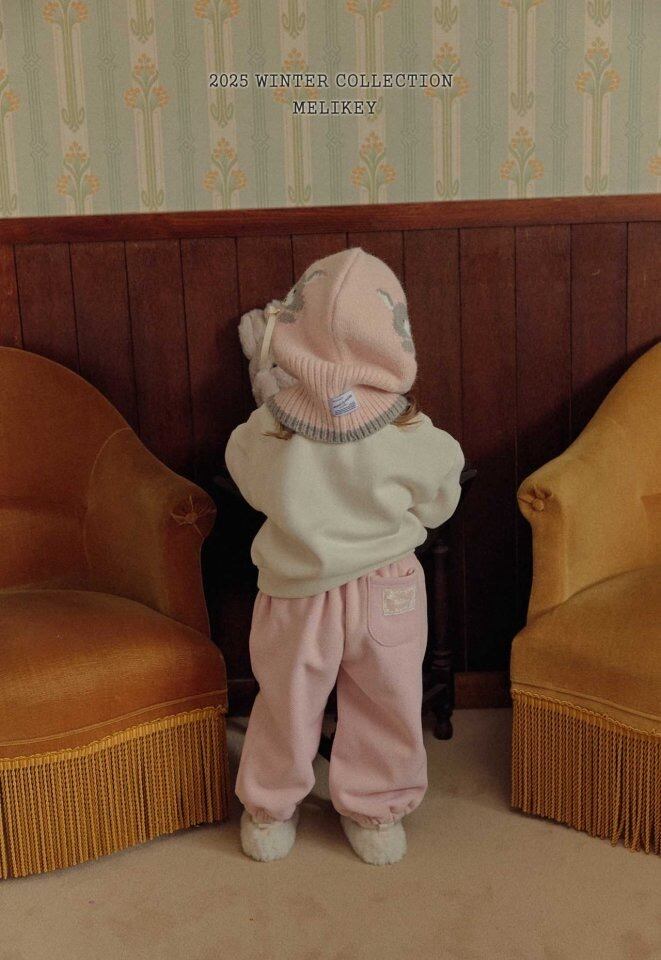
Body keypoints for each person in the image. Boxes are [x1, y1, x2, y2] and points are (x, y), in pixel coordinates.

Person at [225, 247, 465, 865]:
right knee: (388, 701)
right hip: (388, 585)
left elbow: (248, 478)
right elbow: (441, 498)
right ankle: (376, 810)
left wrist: (270, 392)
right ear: (394, 337)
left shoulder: (268, 429)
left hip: (296, 587)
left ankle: (269, 807)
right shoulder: (411, 432)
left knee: (286, 702)